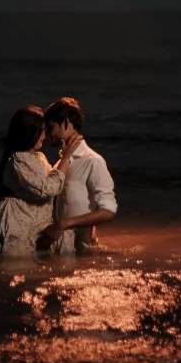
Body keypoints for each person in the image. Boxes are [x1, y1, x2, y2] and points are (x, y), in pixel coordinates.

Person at [0, 104, 82, 255]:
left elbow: (56, 182)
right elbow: (47, 188)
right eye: (42, 130)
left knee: (64, 241)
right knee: (17, 264)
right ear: (29, 133)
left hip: (36, 221)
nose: (45, 135)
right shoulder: (19, 159)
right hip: (16, 221)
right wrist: (66, 157)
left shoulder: (39, 157)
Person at [38, 96, 117, 253]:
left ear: (66, 123)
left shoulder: (92, 161)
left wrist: (64, 224)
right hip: (63, 250)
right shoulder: (60, 164)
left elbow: (108, 211)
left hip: (82, 250)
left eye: (51, 127)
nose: (47, 134)